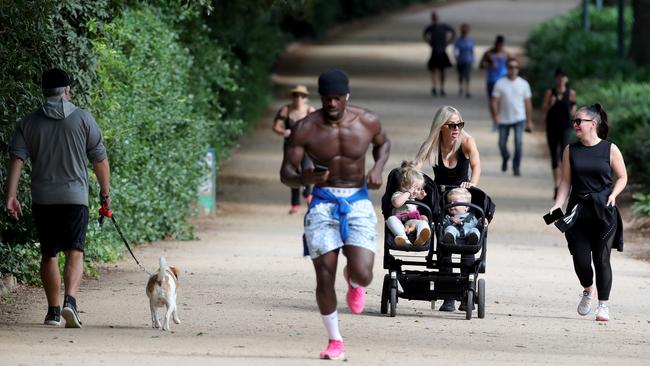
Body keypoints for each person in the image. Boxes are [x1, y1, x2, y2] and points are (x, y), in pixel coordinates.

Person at [280, 69, 390, 360]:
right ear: (320, 98)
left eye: (336, 99)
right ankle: (335, 340)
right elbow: (286, 174)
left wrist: (377, 169)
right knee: (323, 276)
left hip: (357, 200)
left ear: (346, 97)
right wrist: (305, 177)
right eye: (326, 99)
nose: (331, 104)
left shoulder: (367, 121)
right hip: (323, 202)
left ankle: (354, 281)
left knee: (364, 274)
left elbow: (383, 144)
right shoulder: (306, 128)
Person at [6, 68, 111, 328]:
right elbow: (100, 159)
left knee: (49, 253)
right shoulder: (84, 119)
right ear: (66, 91)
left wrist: (11, 195)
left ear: (44, 92)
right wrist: (105, 192)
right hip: (75, 198)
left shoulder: (28, 123)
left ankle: (53, 312)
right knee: (75, 250)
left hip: (44, 199)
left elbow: (17, 159)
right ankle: (70, 303)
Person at [550, 103, 626, 322]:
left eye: (578, 121)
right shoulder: (570, 150)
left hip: (604, 210)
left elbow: (622, 177)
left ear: (593, 124)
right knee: (581, 260)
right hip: (578, 211)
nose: (575, 125)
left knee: (602, 259)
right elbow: (565, 182)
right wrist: (557, 204)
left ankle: (603, 306)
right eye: (574, 121)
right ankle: (587, 289)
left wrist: (614, 194)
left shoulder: (610, 149)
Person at [412, 105, 480, 312]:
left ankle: (465, 292)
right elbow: (417, 165)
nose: (456, 129)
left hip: (462, 198)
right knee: (444, 244)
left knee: (467, 240)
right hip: (440, 198)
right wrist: (412, 184)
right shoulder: (432, 143)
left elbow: (476, 165)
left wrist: (472, 186)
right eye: (451, 125)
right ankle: (447, 295)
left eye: (460, 124)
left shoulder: (467, 142)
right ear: (441, 126)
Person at [272, 85, 317, 214]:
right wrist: (283, 131)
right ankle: (295, 203)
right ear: (292, 97)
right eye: (295, 95)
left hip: (306, 146)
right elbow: (276, 127)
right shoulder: (286, 110)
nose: (298, 98)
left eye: (301, 95)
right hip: (290, 146)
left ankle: (308, 194)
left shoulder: (310, 110)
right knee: (292, 172)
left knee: (307, 168)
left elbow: (319, 126)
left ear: (305, 98)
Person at [491, 57, 533, 176]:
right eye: (510, 67)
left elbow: (528, 103)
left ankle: (516, 167)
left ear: (518, 69)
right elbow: (494, 100)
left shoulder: (524, 84)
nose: (513, 69)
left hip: (519, 118)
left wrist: (529, 121)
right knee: (501, 144)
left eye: (515, 67)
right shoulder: (500, 83)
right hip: (503, 118)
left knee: (518, 143)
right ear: (507, 68)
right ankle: (505, 157)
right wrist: (495, 115)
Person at [541, 68, 576, 199]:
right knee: (554, 156)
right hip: (552, 128)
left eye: (563, 76)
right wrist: (551, 104)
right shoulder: (550, 92)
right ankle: (557, 185)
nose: (561, 79)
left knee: (565, 156)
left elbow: (573, 111)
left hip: (566, 128)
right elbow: (543, 109)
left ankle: (565, 184)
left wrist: (573, 110)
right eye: (559, 76)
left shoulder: (571, 93)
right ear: (556, 78)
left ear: (566, 79)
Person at [385, 161, 430, 247]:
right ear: (403, 185)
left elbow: (418, 199)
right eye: (415, 188)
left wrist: (420, 196)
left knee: (424, 222)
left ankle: (420, 237)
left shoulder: (413, 198)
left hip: (412, 221)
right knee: (390, 220)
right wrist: (408, 193)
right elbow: (397, 203)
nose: (417, 191)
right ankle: (402, 238)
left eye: (419, 189)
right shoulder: (398, 194)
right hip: (399, 221)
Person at [423, 11, 455, 97]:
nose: (435, 18)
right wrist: (430, 43)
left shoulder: (444, 26)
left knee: (442, 71)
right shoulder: (430, 27)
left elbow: (453, 32)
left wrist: (448, 42)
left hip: (442, 50)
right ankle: (434, 87)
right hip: (435, 51)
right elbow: (425, 35)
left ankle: (442, 88)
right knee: (433, 70)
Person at [480, 35, 509, 102]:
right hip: (492, 80)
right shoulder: (488, 53)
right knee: (492, 100)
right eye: (498, 45)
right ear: (495, 44)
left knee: (502, 100)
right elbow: (481, 65)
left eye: (501, 45)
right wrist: (489, 65)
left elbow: (511, 64)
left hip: (503, 79)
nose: (499, 47)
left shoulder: (506, 53)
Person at [453, 23, 474, 98]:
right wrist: (456, 57)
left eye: (466, 31)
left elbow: (472, 50)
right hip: (460, 59)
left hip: (468, 59)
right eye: (463, 31)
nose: (465, 32)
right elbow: (455, 49)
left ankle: (467, 90)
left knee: (467, 75)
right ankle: (461, 87)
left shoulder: (471, 39)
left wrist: (472, 58)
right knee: (461, 75)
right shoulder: (458, 40)